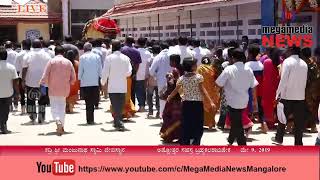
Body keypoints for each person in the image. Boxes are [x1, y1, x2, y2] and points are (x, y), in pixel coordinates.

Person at [167, 57, 215, 145]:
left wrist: (169, 97)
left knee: (186, 123)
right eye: (195, 65)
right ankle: (196, 142)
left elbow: (176, 90)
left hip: (186, 104)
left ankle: (185, 142)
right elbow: (203, 90)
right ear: (192, 67)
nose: (197, 66)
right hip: (197, 104)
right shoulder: (198, 77)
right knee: (198, 124)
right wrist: (211, 101)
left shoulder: (181, 78)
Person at [216, 48, 258, 145]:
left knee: (237, 123)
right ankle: (230, 140)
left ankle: (242, 144)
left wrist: (216, 97)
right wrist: (254, 101)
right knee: (235, 120)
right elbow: (254, 86)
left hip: (232, 100)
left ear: (233, 58)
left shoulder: (228, 69)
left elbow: (218, 84)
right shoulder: (248, 69)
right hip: (244, 100)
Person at [273, 46, 308, 145]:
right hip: (300, 97)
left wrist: (277, 94)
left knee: (282, 119)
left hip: (287, 96)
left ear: (291, 51)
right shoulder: (304, 63)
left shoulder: (287, 62)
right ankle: (298, 142)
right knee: (299, 123)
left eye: (287, 50)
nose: (286, 52)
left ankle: (279, 139)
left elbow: (283, 80)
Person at [40, 45, 76, 135]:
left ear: (55, 52)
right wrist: (71, 83)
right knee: (62, 107)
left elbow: (45, 75)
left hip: (53, 88)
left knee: (54, 107)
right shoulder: (68, 62)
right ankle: (62, 126)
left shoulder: (51, 62)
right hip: (64, 89)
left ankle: (57, 120)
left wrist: (41, 83)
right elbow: (73, 78)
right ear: (63, 53)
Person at [101, 40, 132, 131]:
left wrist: (103, 82)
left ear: (112, 48)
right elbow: (129, 72)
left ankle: (119, 122)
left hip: (112, 86)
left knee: (115, 105)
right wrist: (123, 75)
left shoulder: (109, 58)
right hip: (122, 85)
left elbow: (105, 72)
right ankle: (117, 121)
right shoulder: (126, 58)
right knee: (120, 105)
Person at [22, 39, 51, 124]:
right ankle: (41, 117)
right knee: (42, 100)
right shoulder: (47, 55)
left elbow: (24, 69)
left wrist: (23, 80)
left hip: (30, 82)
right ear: (41, 45)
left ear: (32, 46)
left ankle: (32, 116)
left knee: (31, 99)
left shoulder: (27, 55)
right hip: (43, 83)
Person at [159, 55, 183, 142]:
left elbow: (172, 86)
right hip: (181, 98)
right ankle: (180, 135)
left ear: (173, 62)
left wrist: (165, 94)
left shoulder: (174, 71)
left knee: (168, 116)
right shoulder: (183, 69)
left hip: (173, 98)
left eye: (170, 61)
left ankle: (169, 135)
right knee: (178, 118)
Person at [245, 44, 268, 133]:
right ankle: (264, 124)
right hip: (260, 88)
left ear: (250, 53)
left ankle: (249, 127)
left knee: (249, 108)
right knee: (260, 107)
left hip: (250, 88)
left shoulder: (247, 65)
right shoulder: (260, 64)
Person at [78, 42, 101, 125]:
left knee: (88, 102)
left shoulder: (82, 57)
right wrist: (101, 79)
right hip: (95, 82)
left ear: (84, 49)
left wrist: (79, 79)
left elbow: (80, 71)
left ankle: (89, 119)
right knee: (94, 101)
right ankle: (91, 119)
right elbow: (100, 70)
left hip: (85, 83)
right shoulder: (97, 56)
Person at [149, 42, 172, 118]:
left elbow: (151, 71)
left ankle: (163, 116)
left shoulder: (158, 57)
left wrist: (156, 75)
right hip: (173, 79)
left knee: (162, 99)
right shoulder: (173, 55)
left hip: (161, 80)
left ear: (161, 48)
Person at [197, 57, 220, 130]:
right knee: (211, 107)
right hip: (212, 92)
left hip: (202, 91)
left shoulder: (199, 68)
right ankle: (210, 124)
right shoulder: (212, 69)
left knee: (202, 109)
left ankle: (201, 123)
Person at [0, 46, 19, 134]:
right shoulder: (11, 67)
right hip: (7, 93)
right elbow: (15, 83)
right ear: (6, 56)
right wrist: (17, 94)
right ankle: (3, 125)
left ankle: (2, 126)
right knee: (5, 110)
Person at [301, 47, 319, 133]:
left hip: (306, 89)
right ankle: (311, 126)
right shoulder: (313, 63)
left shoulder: (303, 64)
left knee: (306, 108)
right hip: (314, 89)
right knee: (312, 108)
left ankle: (310, 126)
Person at [262, 48, 281, 129]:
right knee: (277, 104)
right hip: (278, 86)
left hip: (267, 86)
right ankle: (277, 120)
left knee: (268, 105)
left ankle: (270, 122)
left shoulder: (267, 62)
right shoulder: (281, 61)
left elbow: (264, 74)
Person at [121, 36, 142, 105]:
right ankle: (132, 106)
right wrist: (135, 73)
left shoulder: (121, 50)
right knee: (132, 91)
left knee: (122, 90)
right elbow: (137, 64)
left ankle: (123, 107)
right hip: (132, 74)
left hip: (122, 73)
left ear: (126, 41)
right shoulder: (137, 51)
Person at [15, 39, 31, 114]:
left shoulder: (19, 54)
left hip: (22, 76)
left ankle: (23, 109)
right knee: (30, 93)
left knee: (22, 93)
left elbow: (17, 68)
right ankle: (30, 109)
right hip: (32, 76)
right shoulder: (32, 53)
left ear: (23, 45)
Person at [136, 38, 152, 112]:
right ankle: (144, 105)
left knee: (139, 90)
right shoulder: (148, 53)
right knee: (144, 90)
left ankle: (141, 106)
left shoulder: (136, 51)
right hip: (146, 74)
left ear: (138, 43)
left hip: (137, 74)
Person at [146, 45, 161, 118]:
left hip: (151, 80)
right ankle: (158, 111)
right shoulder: (161, 58)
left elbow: (147, 71)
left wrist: (146, 79)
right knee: (158, 96)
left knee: (149, 95)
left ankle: (150, 110)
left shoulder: (150, 59)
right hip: (159, 80)